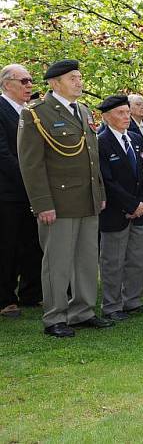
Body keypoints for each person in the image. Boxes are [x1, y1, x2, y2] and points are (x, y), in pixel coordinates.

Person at [18, 59, 111, 337]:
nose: (79, 82)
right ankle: (55, 316)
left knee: (85, 259)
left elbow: (92, 158)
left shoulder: (82, 110)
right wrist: (43, 203)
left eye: (80, 77)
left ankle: (82, 311)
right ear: (55, 83)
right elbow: (31, 165)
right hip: (58, 203)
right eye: (73, 78)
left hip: (87, 199)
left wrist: (100, 193)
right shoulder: (36, 113)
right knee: (57, 262)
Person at [97, 95, 143, 321]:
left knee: (135, 259)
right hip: (115, 213)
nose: (126, 117)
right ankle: (112, 306)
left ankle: (133, 301)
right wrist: (131, 204)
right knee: (113, 262)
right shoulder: (101, 142)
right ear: (107, 117)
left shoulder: (136, 139)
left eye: (127, 112)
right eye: (120, 113)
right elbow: (107, 180)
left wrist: (142, 203)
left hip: (139, 211)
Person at [0, 64, 42, 318]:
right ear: (7, 84)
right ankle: (5, 298)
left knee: (32, 242)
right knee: (7, 245)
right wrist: (29, 178)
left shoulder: (30, 112)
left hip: (31, 191)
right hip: (8, 191)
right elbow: (3, 154)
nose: (29, 86)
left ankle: (31, 293)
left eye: (30, 81)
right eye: (24, 81)